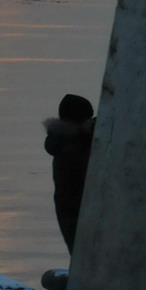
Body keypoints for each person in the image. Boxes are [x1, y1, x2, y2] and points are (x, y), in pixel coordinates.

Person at [43, 93, 96, 254]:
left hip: (68, 210)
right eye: (89, 119)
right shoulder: (75, 146)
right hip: (78, 211)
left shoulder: (64, 141)